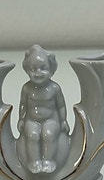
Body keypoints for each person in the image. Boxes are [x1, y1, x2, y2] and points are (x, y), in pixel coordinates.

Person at [17, 45, 69, 173]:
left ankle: (48, 160)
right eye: (33, 69)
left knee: (48, 134)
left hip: (51, 119)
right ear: (27, 71)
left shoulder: (54, 88)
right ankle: (34, 161)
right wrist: (21, 119)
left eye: (43, 68)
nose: (38, 73)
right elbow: (23, 105)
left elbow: (61, 105)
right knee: (32, 135)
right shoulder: (26, 88)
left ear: (51, 70)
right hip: (32, 119)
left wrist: (63, 120)